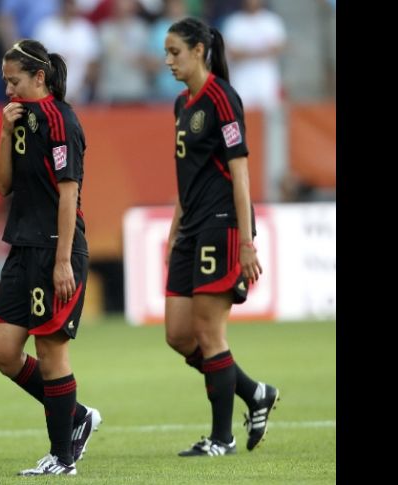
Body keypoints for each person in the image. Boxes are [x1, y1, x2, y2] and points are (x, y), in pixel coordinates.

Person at [162, 17, 279, 457]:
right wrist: (176, 227)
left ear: (199, 51)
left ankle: (221, 437)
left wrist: (247, 239)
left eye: (175, 52)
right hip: (191, 226)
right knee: (178, 333)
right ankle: (255, 393)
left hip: (221, 223)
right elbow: (187, 174)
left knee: (210, 333)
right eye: (166, 53)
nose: (169, 61)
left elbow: (240, 172)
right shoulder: (181, 104)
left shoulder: (223, 99)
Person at [0, 39, 101, 476]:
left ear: (39, 77)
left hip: (57, 249)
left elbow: (69, 193)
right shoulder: (18, 120)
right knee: (2, 352)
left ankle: (62, 457)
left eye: (14, 80)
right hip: (21, 245)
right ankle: (77, 416)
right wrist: (3, 132)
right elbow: (1, 185)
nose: (8, 90)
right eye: (4, 81)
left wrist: (61, 262)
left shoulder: (61, 120)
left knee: (51, 353)